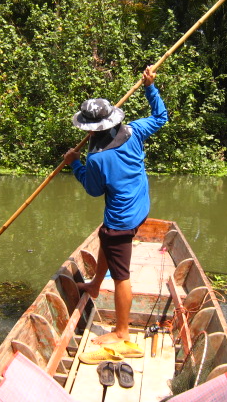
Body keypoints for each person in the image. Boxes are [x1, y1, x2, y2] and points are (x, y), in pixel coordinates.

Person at [63, 65, 168, 345]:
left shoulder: (97, 159)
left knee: (121, 276)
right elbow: (160, 117)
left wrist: (75, 164)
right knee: (103, 237)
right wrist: (149, 87)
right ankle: (96, 285)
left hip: (121, 221)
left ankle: (122, 333)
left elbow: (93, 189)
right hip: (140, 208)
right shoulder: (134, 131)